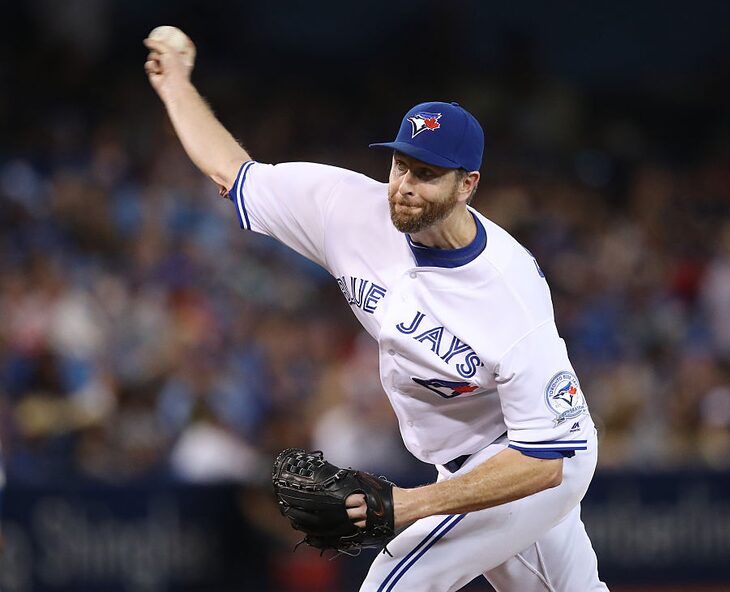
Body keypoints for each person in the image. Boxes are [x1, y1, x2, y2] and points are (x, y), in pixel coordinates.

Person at [144, 32, 608, 592]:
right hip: (462, 465)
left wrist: (412, 504)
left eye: (427, 173)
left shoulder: (509, 295)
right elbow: (231, 170)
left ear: (468, 184)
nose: (405, 186)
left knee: (391, 581)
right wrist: (175, 88)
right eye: (400, 165)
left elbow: (546, 461)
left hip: (531, 464)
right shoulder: (346, 209)